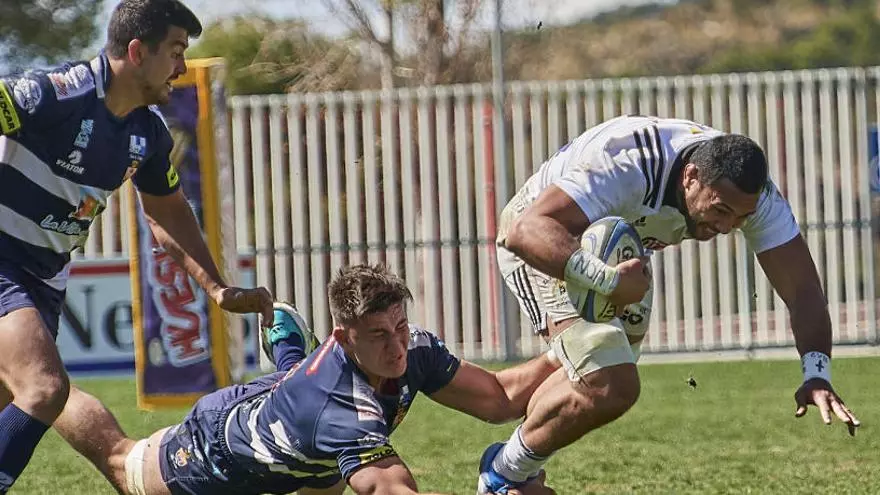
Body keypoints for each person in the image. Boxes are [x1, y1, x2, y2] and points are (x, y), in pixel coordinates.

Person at [477, 115, 862, 493]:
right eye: (720, 211)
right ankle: (503, 474)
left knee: (607, 367)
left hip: (617, 249)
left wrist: (817, 373)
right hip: (547, 239)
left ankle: (514, 453)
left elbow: (802, 289)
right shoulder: (629, 164)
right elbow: (526, 229)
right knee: (612, 383)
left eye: (740, 219)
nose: (726, 228)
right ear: (690, 176)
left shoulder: (754, 197)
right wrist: (608, 282)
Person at [0, 1, 274, 491]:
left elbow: (167, 212)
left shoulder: (147, 135)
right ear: (137, 52)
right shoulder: (56, 94)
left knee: (20, 394)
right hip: (4, 262)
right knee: (43, 387)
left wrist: (217, 288)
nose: (181, 67)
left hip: (44, 277)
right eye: (175, 51)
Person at [60, 264, 558, 494]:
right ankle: (42, 388)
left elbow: (500, 397)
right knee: (122, 464)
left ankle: (290, 349)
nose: (397, 347)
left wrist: (570, 350)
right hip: (217, 450)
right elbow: (393, 490)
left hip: (308, 446)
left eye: (401, 327)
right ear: (343, 337)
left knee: (322, 462)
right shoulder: (341, 409)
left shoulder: (414, 350)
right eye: (379, 335)